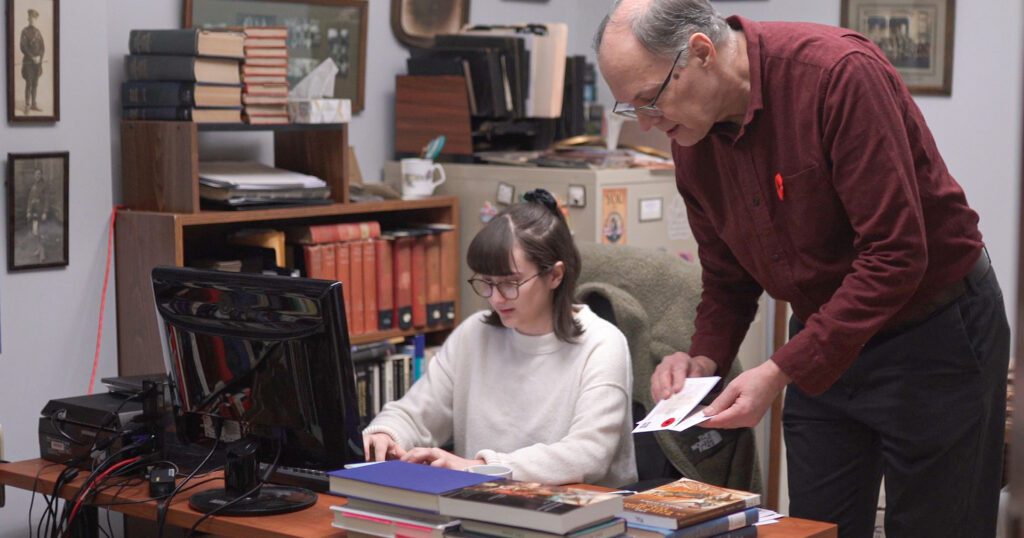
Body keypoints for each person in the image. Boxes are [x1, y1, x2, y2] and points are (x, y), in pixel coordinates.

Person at [594, 1, 1009, 536]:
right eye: (631, 109)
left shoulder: (836, 76)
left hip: (935, 332)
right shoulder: (691, 138)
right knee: (813, 526)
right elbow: (727, 276)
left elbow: (895, 255)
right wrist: (703, 358)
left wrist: (780, 370)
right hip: (823, 343)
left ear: (699, 54)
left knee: (937, 524)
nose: (648, 124)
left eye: (650, 99)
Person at [362, 189, 637, 487]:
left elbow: (588, 454)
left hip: (583, 516)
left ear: (555, 276)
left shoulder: (603, 344)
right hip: (485, 506)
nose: (495, 298)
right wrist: (387, 433)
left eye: (510, 283)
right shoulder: (474, 334)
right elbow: (417, 413)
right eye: (487, 283)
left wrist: (480, 466)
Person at [20, 9, 44, 114]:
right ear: (28, 18)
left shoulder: (38, 32)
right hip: (28, 63)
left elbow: (43, 48)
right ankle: (27, 105)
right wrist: (32, 57)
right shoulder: (24, 31)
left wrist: (39, 58)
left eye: (34, 18)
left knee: (35, 83)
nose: (32, 20)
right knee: (29, 83)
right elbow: (23, 47)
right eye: (31, 18)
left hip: (37, 63)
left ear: (36, 19)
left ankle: (34, 104)